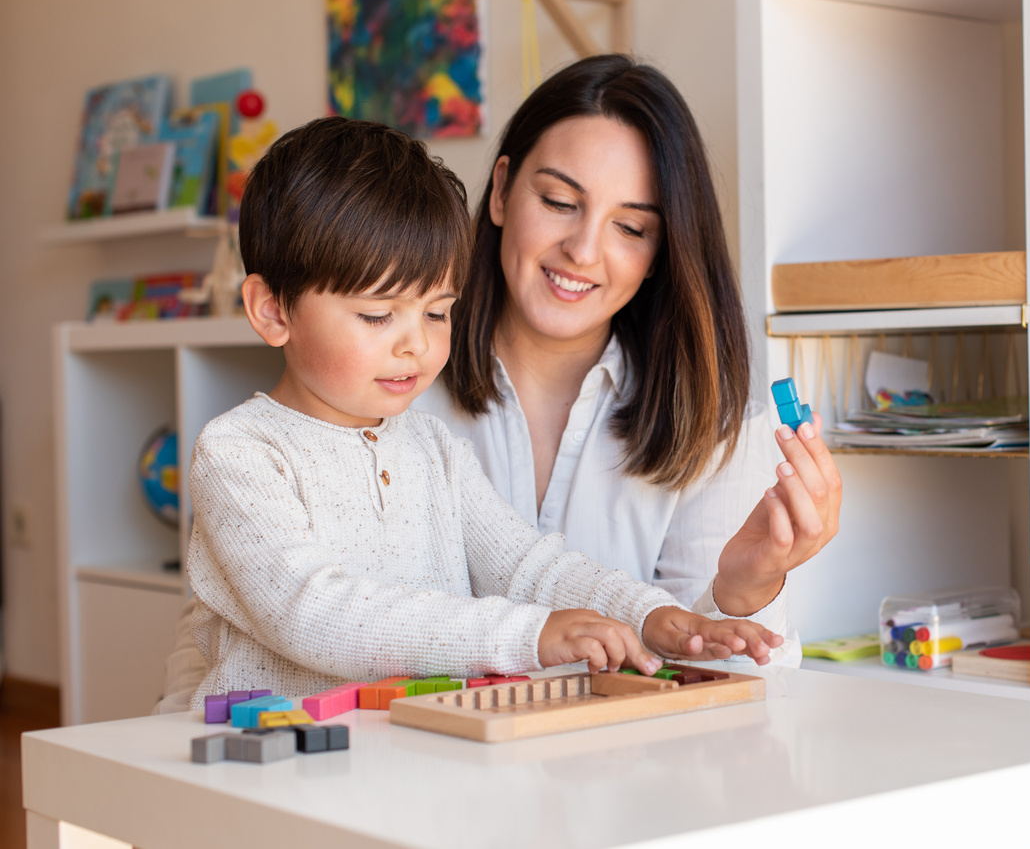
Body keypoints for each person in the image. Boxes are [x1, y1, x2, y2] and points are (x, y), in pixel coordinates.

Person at [177, 117, 781, 707]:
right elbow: (313, 612)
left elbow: (528, 566)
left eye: (437, 312)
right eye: (377, 315)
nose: (416, 344)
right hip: (272, 769)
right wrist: (527, 636)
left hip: (413, 762)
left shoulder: (432, 446)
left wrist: (649, 617)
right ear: (272, 311)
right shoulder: (241, 452)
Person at [414, 55, 842, 667]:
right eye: (560, 201)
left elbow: (729, 709)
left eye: (631, 228)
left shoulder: (712, 425)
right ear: (503, 190)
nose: (583, 250)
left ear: (661, 251)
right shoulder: (395, 384)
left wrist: (745, 592)